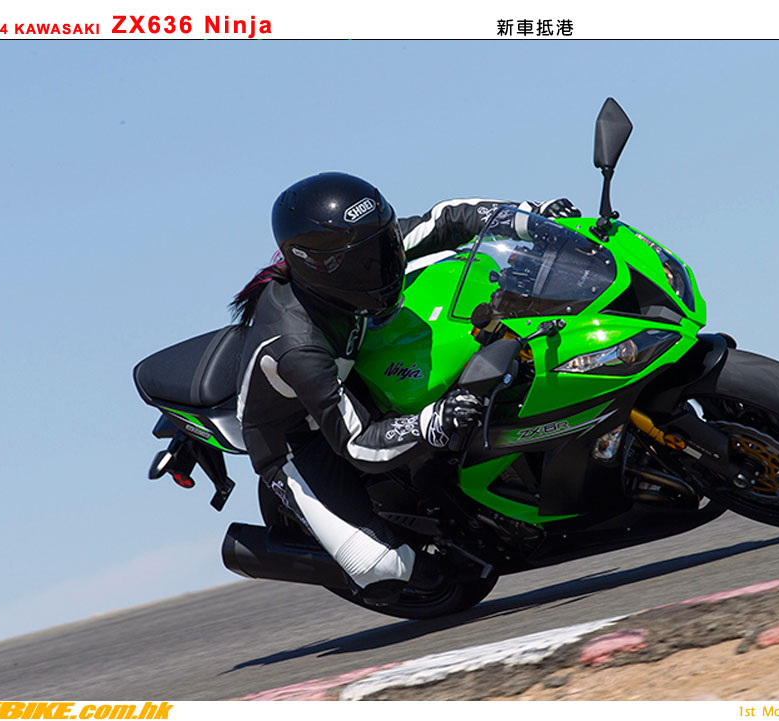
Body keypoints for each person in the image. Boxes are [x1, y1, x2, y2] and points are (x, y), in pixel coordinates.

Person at [230, 171, 580, 603]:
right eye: (365, 259)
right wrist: (433, 420)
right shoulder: (297, 345)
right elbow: (357, 442)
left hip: (354, 373)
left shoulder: (366, 249)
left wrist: (530, 217)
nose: (383, 262)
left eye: (384, 244)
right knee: (381, 568)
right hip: (301, 438)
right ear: (320, 267)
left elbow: (447, 219)